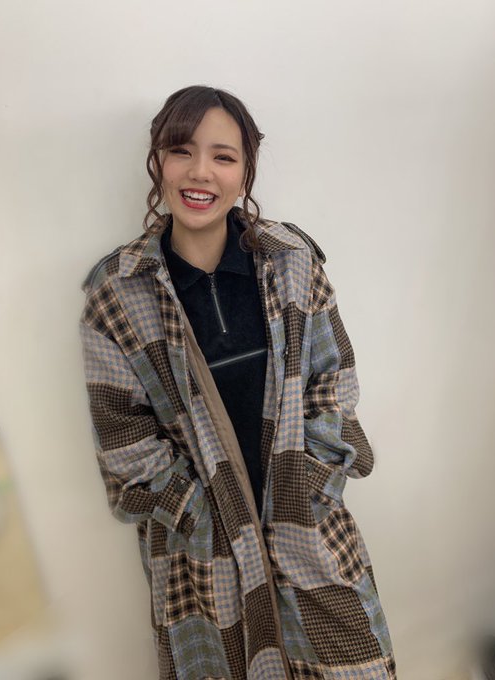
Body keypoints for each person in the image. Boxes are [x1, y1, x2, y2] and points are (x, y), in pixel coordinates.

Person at [79, 85, 396, 680]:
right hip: (201, 557)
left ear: (246, 170)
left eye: (223, 156)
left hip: (309, 529)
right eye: (181, 150)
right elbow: (125, 445)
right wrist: (200, 515)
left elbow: (333, 382)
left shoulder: (292, 260)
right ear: (157, 161)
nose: (200, 171)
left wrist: (311, 482)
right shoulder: (118, 293)